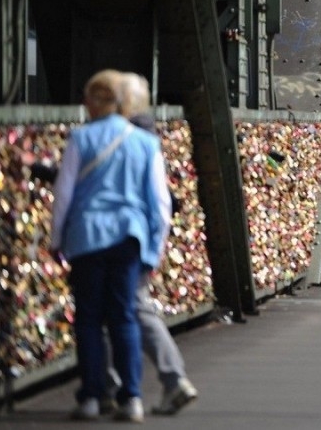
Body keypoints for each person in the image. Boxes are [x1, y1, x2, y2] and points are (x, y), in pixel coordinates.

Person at [50, 70, 172, 421]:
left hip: (86, 238)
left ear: (93, 102)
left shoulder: (80, 138)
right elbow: (159, 204)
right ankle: (131, 397)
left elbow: (64, 195)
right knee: (124, 317)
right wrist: (154, 250)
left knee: (88, 319)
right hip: (128, 239)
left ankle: (91, 396)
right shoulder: (145, 143)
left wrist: (56, 239)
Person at [115, 73, 199, 415]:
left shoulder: (124, 135)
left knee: (131, 308)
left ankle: (166, 380)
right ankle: (115, 387)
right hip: (137, 236)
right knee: (123, 308)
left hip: (119, 236)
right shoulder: (145, 133)